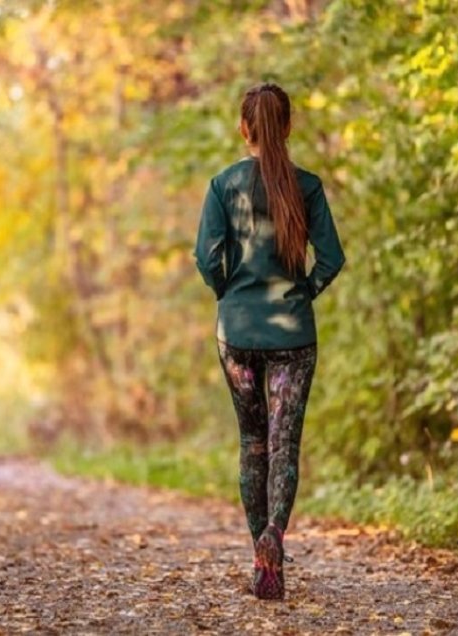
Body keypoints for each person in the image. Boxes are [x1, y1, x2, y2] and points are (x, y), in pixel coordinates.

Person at [194, 83, 345, 600]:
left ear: (244, 128)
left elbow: (205, 258)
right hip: (292, 334)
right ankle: (274, 536)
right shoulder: (306, 186)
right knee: (284, 445)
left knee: (251, 443)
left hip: (236, 332)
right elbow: (332, 260)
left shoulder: (222, 185)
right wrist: (303, 292)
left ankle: (262, 561)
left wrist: (228, 294)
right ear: (287, 127)